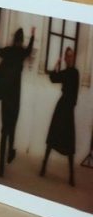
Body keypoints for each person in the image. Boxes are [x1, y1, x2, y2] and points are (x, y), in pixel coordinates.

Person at [0, 26, 35, 177]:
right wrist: (33, 36)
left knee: (4, 130)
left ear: (14, 39)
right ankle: (10, 152)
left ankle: (1, 167)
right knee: (12, 127)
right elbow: (29, 50)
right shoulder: (21, 53)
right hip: (15, 97)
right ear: (21, 41)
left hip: (6, 97)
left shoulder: (10, 51)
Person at [41, 47, 79, 187]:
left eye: (71, 56)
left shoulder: (75, 72)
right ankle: (43, 168)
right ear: (65, 58)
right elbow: (53, 78)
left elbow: (75, 94)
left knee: (69, 141)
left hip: (67, 109)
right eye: (67, 56)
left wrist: (71, 107)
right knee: (53, 137)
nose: (69, 58)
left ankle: (71, 176)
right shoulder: (65, 72)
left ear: (73, 58)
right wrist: (56, 65)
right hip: (62, 106)